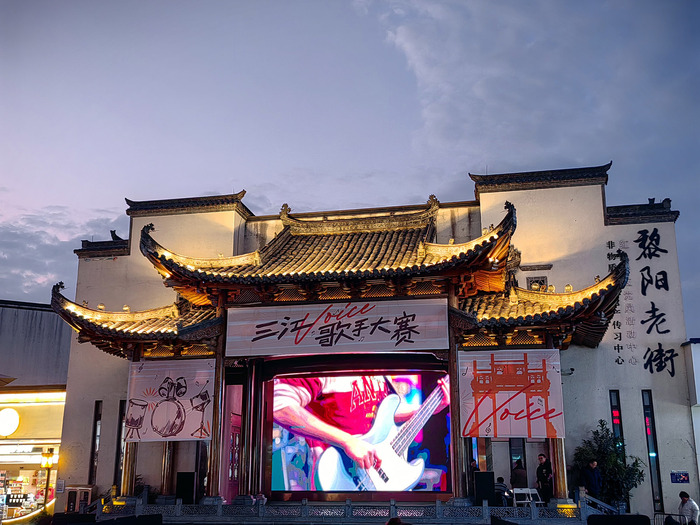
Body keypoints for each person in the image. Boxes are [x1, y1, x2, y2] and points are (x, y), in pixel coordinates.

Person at [273, 374, 450, 490]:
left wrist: (428, 409)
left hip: (377, 483)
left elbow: (384, 418)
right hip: (339, 482)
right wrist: (347, 441)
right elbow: (279, 407)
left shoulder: (378, 371)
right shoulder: (327, 364)